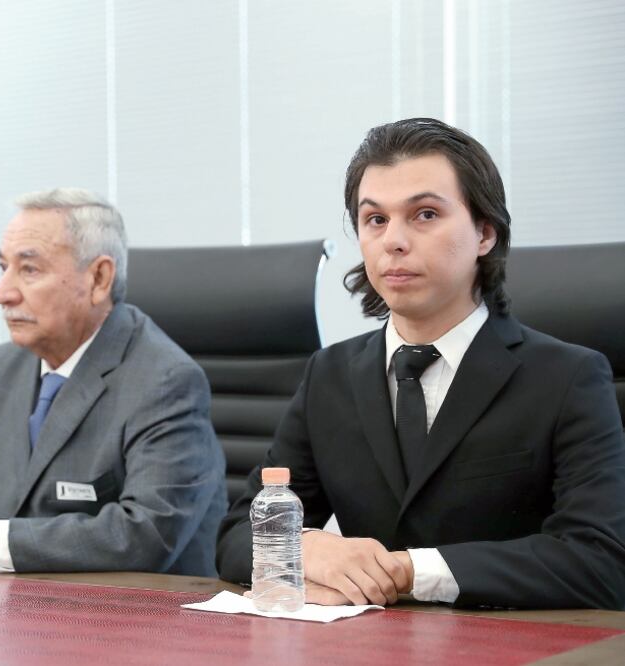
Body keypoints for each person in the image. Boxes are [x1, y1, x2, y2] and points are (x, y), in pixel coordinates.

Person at [216, 118, 625, 609]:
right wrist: (306, 550)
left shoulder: (567, 378)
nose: (394, 241)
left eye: (425, 214)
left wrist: (412, 570)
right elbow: (237, 534)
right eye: (375, 220)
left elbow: (599, 561)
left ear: (485, 233)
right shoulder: (329, 375)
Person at [0, 188, 227, 575]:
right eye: (3, 267)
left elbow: (146, 534)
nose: (2, 293)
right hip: (17, 610)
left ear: (98, 279)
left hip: (135, 618)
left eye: (29, 269)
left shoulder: (166, 380)